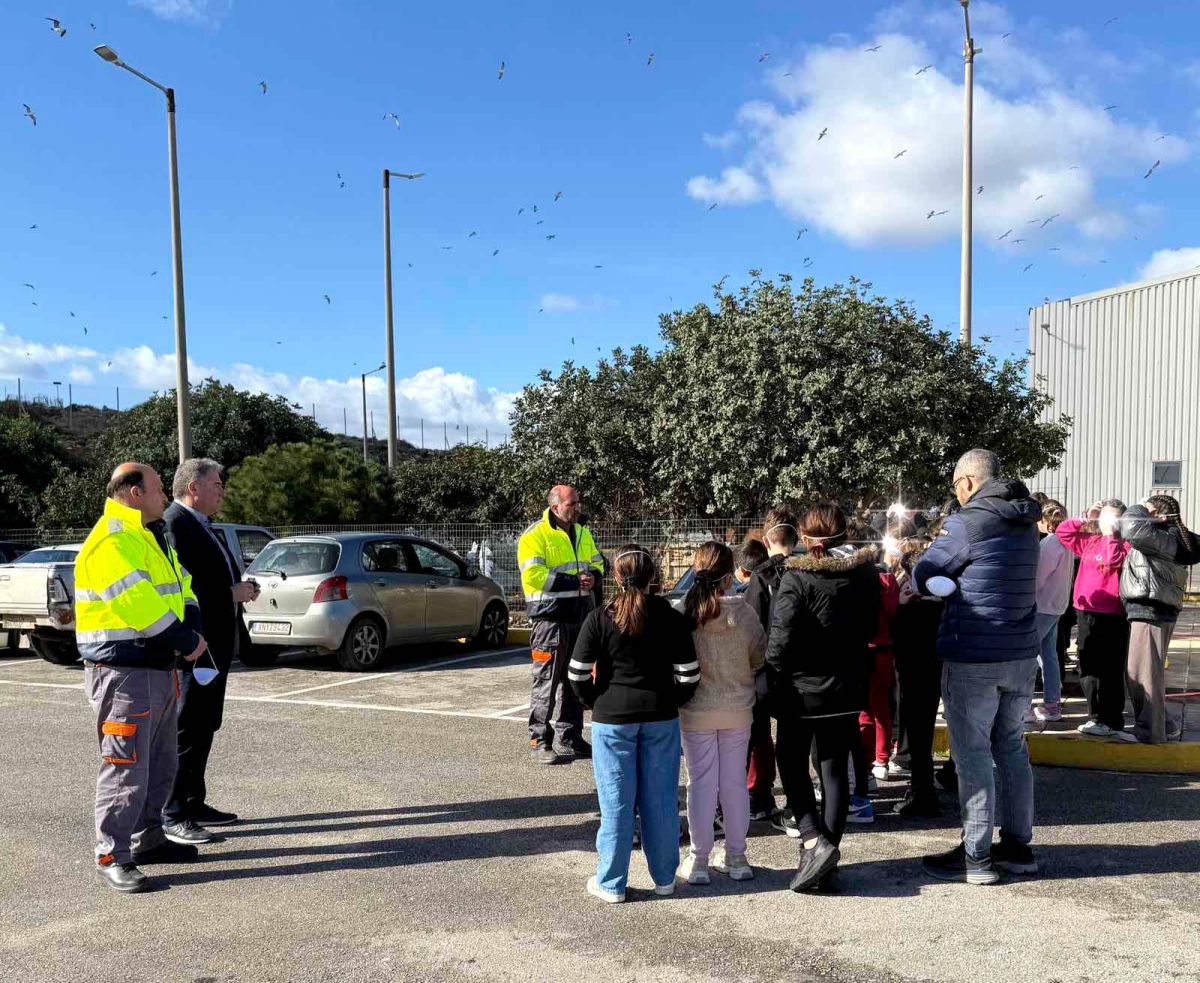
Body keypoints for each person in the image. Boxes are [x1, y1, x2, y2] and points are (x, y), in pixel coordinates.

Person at [74, 463, 208, 893]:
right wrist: (185, 639)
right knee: (125, 766)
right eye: (156, 490)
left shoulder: (147, 535)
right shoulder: (113, 540)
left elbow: (180, 585)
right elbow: (139, 605)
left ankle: (148, 838)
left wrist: (190, 621)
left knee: (160, 763)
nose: (164, 497)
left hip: (156, 668)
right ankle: (112, 853)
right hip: (123, 673)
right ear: (133, 493)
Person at [913, 449, 1042, 885]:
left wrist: (933, 582)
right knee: (1012, 749)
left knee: (972, 757)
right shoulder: (1026, 521)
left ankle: (977, 855)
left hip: (974, 654)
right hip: (1021, 652)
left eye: (955, 486)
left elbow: (926, 572)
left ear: (967, 481)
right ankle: (1018, 846)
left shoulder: (967, 522)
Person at [568, 545, 699, 903]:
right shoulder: (670, 616)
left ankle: (611, 883)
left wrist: (597, 701)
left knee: (616, 803)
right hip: (660, 717)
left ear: (615, 576)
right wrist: (671, 701)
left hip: (613, 720)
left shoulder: (599, 616)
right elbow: (689, 675)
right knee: (661, 802)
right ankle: (664, 878)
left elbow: (576, 673)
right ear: (653, 577)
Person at [766, 502, 880, 892]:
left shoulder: (797, 577)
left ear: (808, 538)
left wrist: (773, 675)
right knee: (833, 769)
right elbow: (871, 622)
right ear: (844, 535)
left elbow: (780, 640)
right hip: (848, 685)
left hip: (802, 689)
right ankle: (826, 858)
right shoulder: (866, 574)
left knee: (791, 760)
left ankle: (814, 841)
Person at [162, 458, 261, 840]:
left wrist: (240, 592)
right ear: (194, 488)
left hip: (215, 646)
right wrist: (228, 594)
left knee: (204, 725)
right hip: (194, 648)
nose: (222, 490)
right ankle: (172, 814)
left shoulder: (203, 525)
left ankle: (193, 800)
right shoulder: (176, 523)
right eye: (217, 484)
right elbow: (180, 590)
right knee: (185, 728)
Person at [678, 542, 766, 885]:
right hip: (737, 707)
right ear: (730, 577)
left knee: (700, 784)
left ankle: (698, 860)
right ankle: (737, 855)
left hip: (696, 709)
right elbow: (758, 658)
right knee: (733, 783)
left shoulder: (685, 612)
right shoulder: (744, 614)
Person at [518, 485, 606, 764]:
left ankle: (570, 737)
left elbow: (598, 564)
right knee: (546, 680)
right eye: (572, 503)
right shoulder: (534, 535)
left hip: (580, 617)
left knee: (574, 680)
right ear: (555, 507)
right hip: (550, 619)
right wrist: (573, 582)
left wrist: (595, 576)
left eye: (578, 502)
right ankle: (540, 739)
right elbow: (533, 575)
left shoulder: (581, 531)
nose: (577, 507)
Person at [1119, 495, 1200, 743]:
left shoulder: (1162, 537)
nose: (1144, 514)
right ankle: (1165, 724)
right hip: (1155, 610)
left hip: (1150, 611)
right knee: (1147, 673)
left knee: (1142, 675)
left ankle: (1150, 733)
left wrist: (1140, 505)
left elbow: (1131, 526)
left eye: (1149, 511)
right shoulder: (1169, 538)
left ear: (1162, 516)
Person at [1056, 499, 1133, 740]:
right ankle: (1096, 716)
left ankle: (1111, 719)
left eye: (1111, 517)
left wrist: (1110, 534)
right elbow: (1063, 532)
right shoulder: (1090, 541)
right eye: (1104, 517)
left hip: (1111, 614)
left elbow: (1111, 562)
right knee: (1088, 666)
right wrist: (1087, 517)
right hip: (1086, 611)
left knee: (1110, 669)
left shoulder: (1125, 545)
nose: (1105, 521)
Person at [743, 506, 797, 827]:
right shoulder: (807, 572)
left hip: (764, 670)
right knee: (794, 741)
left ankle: (759, 797)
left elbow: (752, 625)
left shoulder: (761, 577)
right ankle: (795, 802)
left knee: (759, 736)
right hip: (799, 671)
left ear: (765, 539)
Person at [892, 536, 945, 817]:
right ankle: (926, 789)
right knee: (923, 735)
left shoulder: (910, 606)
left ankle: (923, 794)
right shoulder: (942, 604)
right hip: (936, 674)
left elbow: (897, 639)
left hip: (914, 676)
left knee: (919, 738)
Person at [1028, 499, 1071, 723]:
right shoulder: (1066, 543)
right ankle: (1052, 703)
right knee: (1048, 656)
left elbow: (1037, 579)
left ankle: (1024, 706)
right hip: (1056, 606)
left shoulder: (1049, 544)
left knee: (1027, 657)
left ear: (1044, 521)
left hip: (1042, 606)